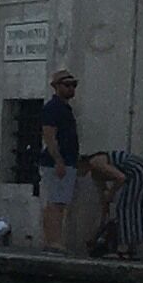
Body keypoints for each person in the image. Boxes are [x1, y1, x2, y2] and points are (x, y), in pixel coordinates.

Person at [35, 68, 84, 248]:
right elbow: (49, 136)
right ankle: (53, 241)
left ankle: (54, 240)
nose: (71, 88)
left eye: (74, 85)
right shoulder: (52, 108)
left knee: (60, 202)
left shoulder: (65, 108)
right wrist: (59, 161)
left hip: (67, 161)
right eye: (67, 85)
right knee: (55, 202)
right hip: (57, 162)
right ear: (56, 87)